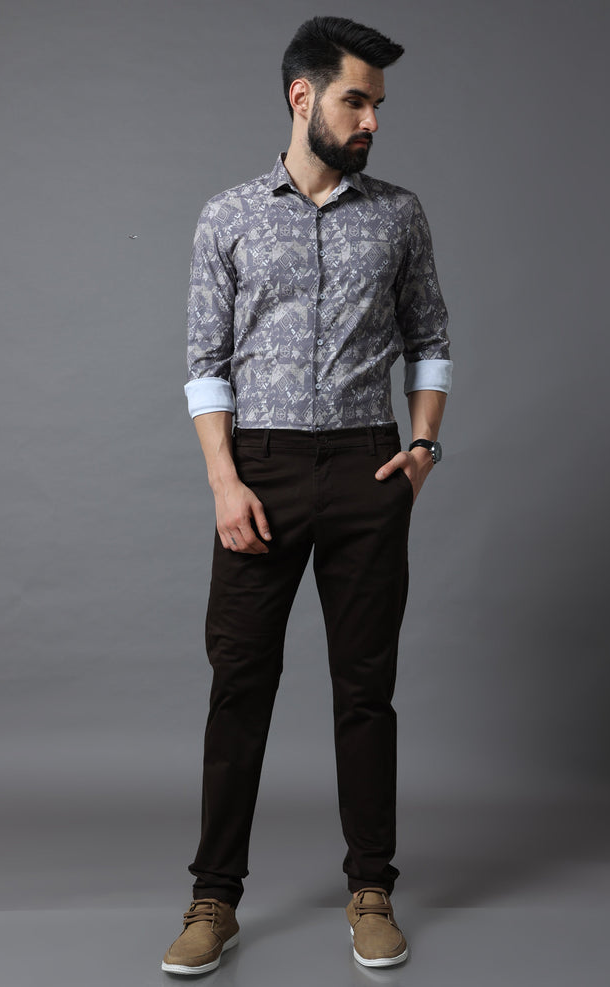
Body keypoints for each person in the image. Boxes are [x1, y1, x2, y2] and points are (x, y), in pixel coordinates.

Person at [162, 15, 451, 975]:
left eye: (378, 104)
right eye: (355, 100)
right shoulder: (229, 216)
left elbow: (430, 336)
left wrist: (421, 447)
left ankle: (371, 889)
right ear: (303, 97)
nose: (372, 120)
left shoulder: (399, 214)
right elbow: (205, 362)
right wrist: (224, 480)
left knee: (366, 690)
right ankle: (214, 898)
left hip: (369, 468)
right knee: (240, 685)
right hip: (260, 472)